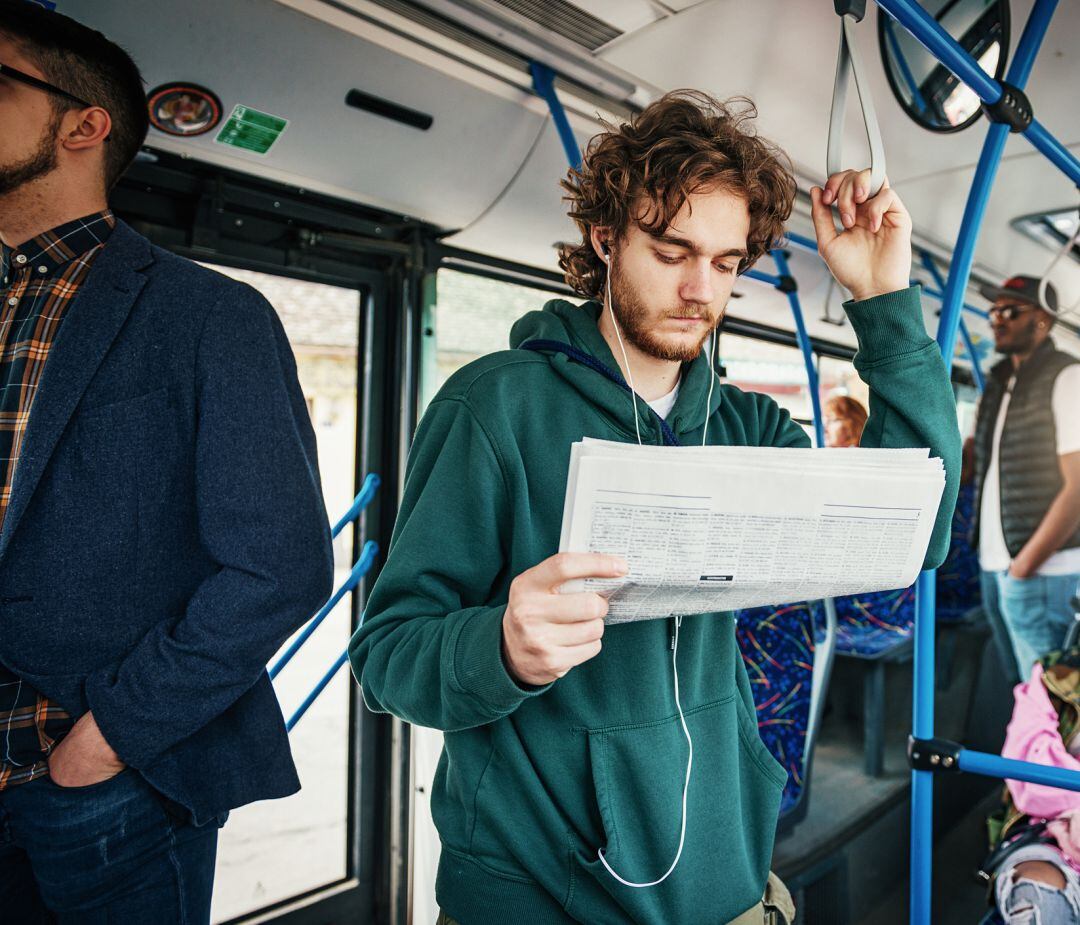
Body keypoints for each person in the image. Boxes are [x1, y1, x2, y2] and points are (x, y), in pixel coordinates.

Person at [350, 92, 961, 925]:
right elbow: (386, 656)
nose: (699, 288)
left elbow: (914, 535)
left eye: (726, 261)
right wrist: (498, 646)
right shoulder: (494, 408)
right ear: (607, 240)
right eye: (672, 250)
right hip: (534, 893)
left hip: (722, 882)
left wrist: (885, 304)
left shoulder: (746, 427)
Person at [0, 4, 334, 921]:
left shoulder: (208, 317)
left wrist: (107, 739)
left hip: (100, 778)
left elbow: (280, 566)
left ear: (83, 123)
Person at [974, 274, 1080, 683]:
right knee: (1022, 694)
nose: (997, 320)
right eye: (994, 311)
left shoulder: (1067, 377)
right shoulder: (1001, 384)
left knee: (1051, 709)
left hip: (1044, 573)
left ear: (1042, 320)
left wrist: (1024, 568)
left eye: (1010, 311)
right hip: (994, 563)